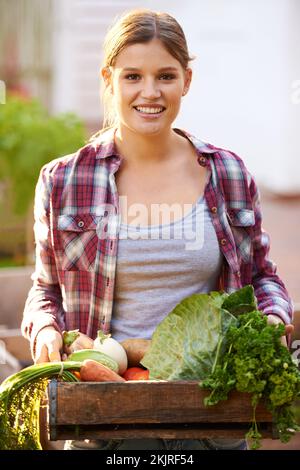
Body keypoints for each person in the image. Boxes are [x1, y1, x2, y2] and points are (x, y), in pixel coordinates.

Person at [21, 9, 294, 451]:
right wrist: (46, 329)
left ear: (187, 79)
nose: (150, 92)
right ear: (109, 78)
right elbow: (44, 289)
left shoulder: (227, 172)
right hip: (103, 413)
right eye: (133, 76)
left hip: (211, 410)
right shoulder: (64, 181)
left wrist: (272, 319)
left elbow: (263, 277)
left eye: (165, 76)